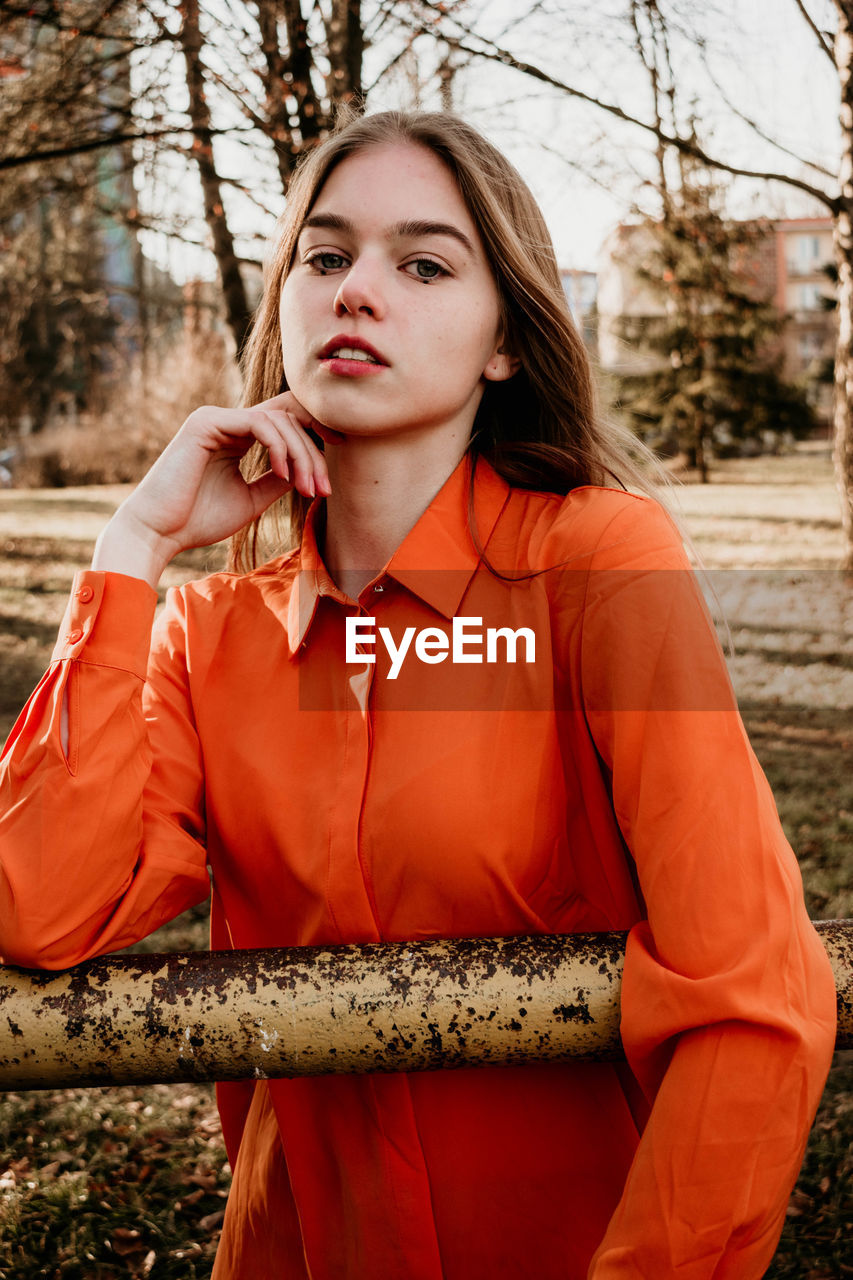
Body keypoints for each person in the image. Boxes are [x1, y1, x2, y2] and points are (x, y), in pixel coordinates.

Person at [0, 110, 837, 1279]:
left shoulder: (600, 566)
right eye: (326, 256)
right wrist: (131, 547)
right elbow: (38, 910)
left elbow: (750, 990)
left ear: (505, 339)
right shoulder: (206, 635)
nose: (356, 292)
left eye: (425, 263)